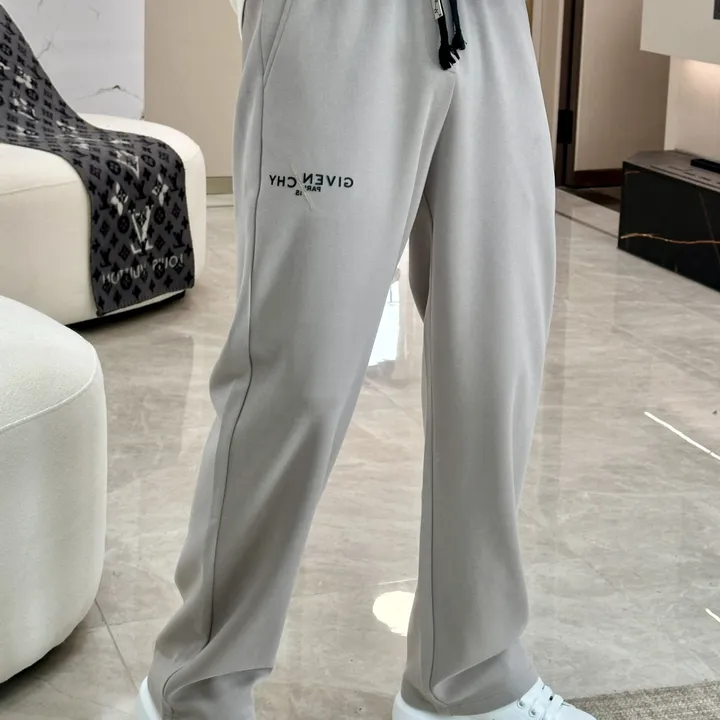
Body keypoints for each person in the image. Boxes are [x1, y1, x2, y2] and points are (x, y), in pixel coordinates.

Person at [138, 1, 597, 719]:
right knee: (300, 370)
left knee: (497, 358)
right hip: (340, 20)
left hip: (494, 20)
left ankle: (470, 678)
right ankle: (198, 687)